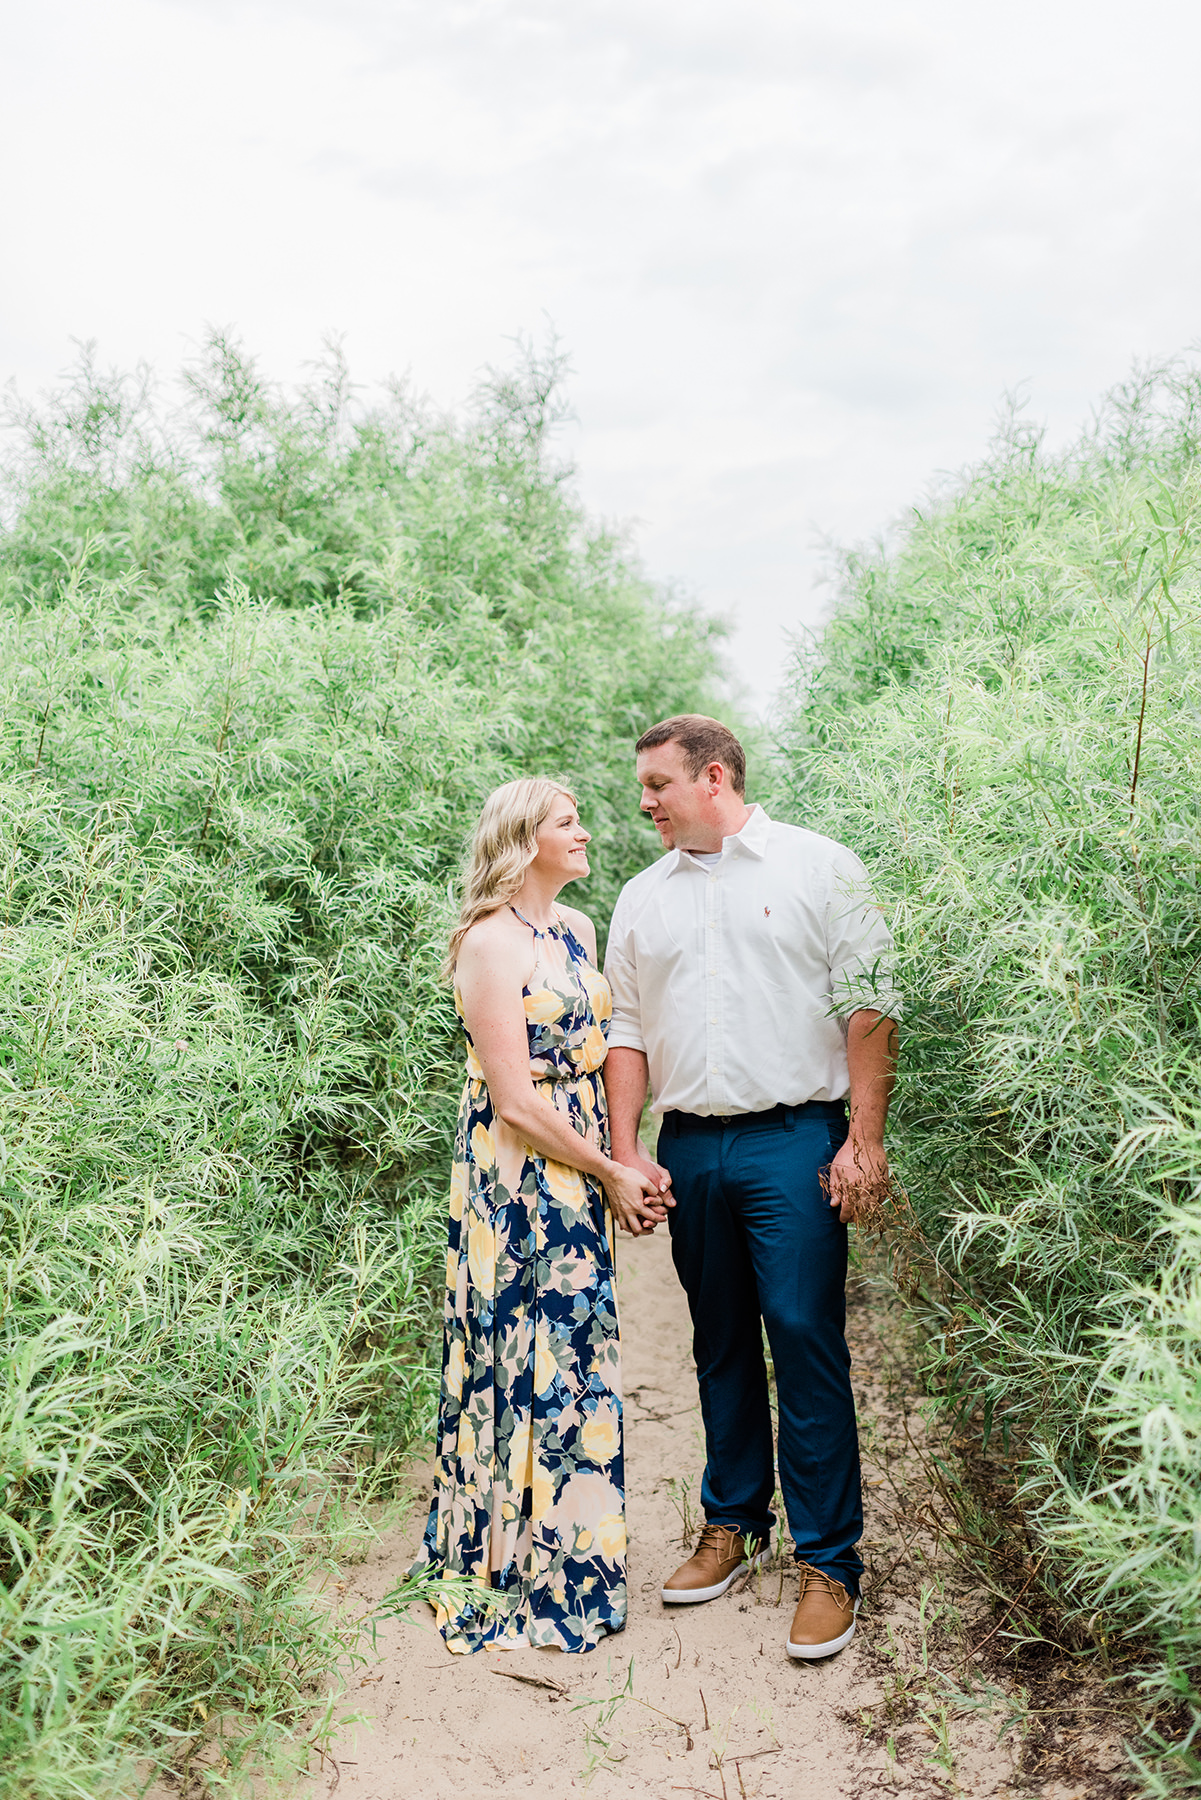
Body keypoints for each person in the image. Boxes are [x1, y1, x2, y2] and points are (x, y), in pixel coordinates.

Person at [603, 716, 899, 1660]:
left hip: (793, 1139)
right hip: (691, 1147)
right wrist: (626, 1151)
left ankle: (829, 1564)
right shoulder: (640, 898)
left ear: (714, 777)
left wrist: (863, 1140)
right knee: (717, 1338)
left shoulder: (819, 867)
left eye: (657, 784)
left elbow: (871, 1002)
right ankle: (729, 1525)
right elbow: (627, 1035)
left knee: (805, 1337)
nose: (643, 802)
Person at [419, 777, 668, 1653]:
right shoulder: (487, 946)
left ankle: (573, 1553)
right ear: (525, 840)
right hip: (520, 1171)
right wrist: (605, 1170)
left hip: (582, 1160)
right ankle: (508, 1564)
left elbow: (598, 1061)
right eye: (569, 823)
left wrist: (622, 1163)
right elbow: (516, 1102)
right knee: (523, 1349)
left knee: (575, 1350)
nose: (587, 833)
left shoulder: (575, 929)